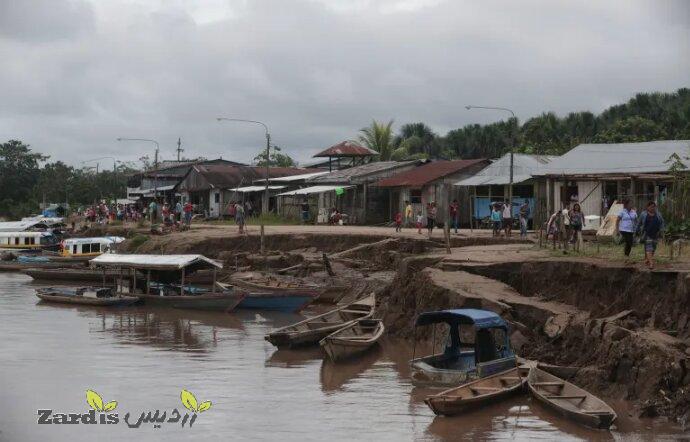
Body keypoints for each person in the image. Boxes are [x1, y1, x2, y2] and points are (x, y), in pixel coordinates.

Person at [637, 201, 664, 269]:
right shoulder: (643, 214)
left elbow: (662, 222)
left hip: (656, 234)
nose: (653, 208)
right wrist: (636, 231)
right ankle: (651, 263)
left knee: (653, 248)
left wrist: (662, 231)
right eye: (651, 207)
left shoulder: (658, 214)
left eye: (654, 207)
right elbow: (639, 223)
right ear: (647, 207)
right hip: (647, 234)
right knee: (649, 248)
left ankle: (647, 260)